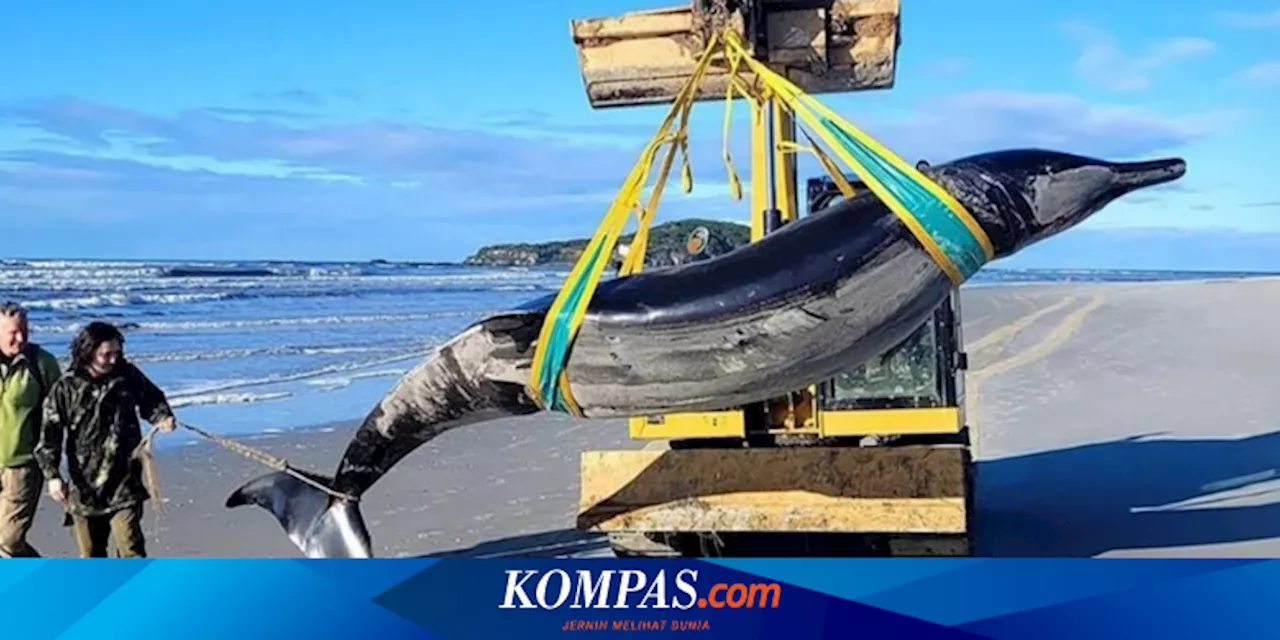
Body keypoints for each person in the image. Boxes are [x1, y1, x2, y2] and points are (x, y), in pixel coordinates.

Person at [35, 321, 176, 558]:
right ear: (89, 352)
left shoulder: (127, 375)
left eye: (117, 353)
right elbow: (50, 434)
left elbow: (152, 399)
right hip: (85, 486)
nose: (113, 359)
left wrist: (162, 417)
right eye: (106, 354)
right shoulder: (66, 387)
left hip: (125, 482)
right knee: (91, 554)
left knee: (131, 549)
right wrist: (53, 476)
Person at [0, 302, 61, 558]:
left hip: (23, 465)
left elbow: (59, 416)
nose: (21, 337)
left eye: (25, 330)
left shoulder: (42, 363)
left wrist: (54, 471)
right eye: (13, 332)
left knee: (9, 541)